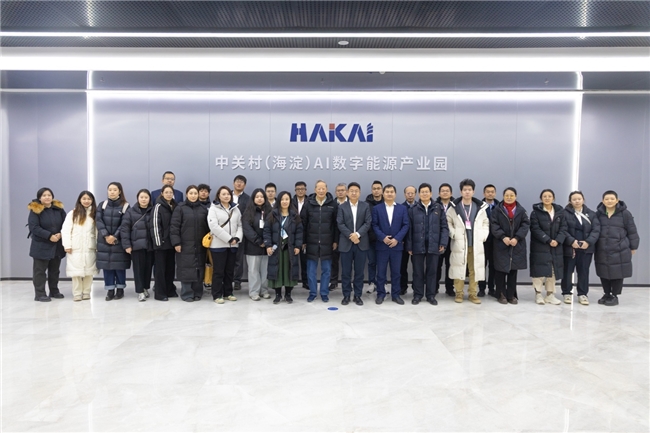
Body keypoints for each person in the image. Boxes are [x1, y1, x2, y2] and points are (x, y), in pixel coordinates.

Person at [446, 179, 490, 304]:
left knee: (474, 270)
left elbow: (486, 223)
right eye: (465, 190)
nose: (467, 192)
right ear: (461, 191)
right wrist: (453, 233)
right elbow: (448, 222)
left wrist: (483, 235)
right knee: (458, 268)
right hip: (459, 243)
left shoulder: (479, 207)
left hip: (475, 245)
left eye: (469, 190)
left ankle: (472, 294)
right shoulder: (454, 207)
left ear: (473, 191)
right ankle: (459, 293)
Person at [594, 190, 639, 306]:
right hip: (602, 248)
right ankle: (606, 293)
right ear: (602, 201)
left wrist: (633, 246)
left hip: (620, 248)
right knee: (603, 272)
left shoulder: (625, 214)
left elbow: (632, 231)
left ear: (617, 200)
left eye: (612, 199)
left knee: (617, 272)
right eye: (607, 199)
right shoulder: (598, 214)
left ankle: (615, 295)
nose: (609, 201)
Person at [406, 183, 448, 305]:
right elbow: (409, 229)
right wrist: (409, 246)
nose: (424, 194)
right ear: (419, 194)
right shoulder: (413, 209)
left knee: (432, 271)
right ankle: (418, 295)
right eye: (422, 192)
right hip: (417, 245)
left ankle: (431, 295)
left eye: (427, 192)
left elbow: (444, 227)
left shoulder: (438, 208)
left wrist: (443, 242)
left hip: (434, 245)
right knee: (417, 272)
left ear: (431, 193)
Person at [490, 187, 530, 305]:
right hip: (501, 243)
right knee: (500, 270)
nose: (509, 197)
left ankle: (511, 295)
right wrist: (503, 237)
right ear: (503, 196)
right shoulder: (497, 210)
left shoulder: (521, 210)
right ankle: (501, 294)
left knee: (513, 271)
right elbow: (494, 225)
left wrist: (517, 238)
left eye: (511, 195)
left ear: (515, 196)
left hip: (516, 244)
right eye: (506, 195)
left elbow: (525, 225)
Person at [372, 184, 410, 305]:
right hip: (382, 246)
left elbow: (406, 225)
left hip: (396, 246)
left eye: (391, 192)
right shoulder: (377, 208)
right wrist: (383, 237)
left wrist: (397, 239)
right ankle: (380, 294)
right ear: (383, 194)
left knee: (396, 272)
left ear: (395, 194)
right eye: (387, 192)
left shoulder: (402, 208)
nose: (389, 194)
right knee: (381, 273)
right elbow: (374, 225)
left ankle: (396, 295)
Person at [561, 191, 601, 305]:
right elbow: (562, 229)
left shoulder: (591, 214)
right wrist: (571, 241)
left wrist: (588, 242)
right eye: (574, 199)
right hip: (570, 248)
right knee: (567, 271)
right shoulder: (564, 213)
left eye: (579, 199)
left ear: (583, 199)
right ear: (570, 201)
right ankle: (566, 293)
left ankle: (582, 294)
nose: (577, 201)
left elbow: (596, 230)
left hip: (586, 249)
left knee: (583, 271)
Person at [171, 185, 210, 302]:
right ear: (186, 194)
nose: (193, 196)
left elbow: (207, 227)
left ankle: (198, 292)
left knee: (199, 268)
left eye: (195, 193)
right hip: (184, 245)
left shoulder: (203, 209)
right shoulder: (180, 208)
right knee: (186, 268)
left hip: (200, 245)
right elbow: (174, 227)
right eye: (191, 193)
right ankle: (187, 293)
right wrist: (176, 243)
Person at [27, 187, 67, 302]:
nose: (47, 197)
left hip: (56, 245)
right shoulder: (35, 210)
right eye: (44, 195)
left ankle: (54, 291)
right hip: (41, 245)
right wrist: (49, 236)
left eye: (49, 195)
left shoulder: (59, 209)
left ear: (52, 197)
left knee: (54, 270)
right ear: (39, 198)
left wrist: (61, 234)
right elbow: (34, 227)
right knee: (40, 271)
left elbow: (66, 224)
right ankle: (40, 294)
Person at [529, 189, 567, 305]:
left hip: (556, 246)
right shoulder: (535, 212)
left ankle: (550, 295)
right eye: (544, 196)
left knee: (553, 270)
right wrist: (548, 240)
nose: (547, 198)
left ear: (553, 198)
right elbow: (535, 229)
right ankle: (538, 294)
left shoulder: (560, 212)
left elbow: (564, 228)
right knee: (539, 271)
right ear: (541, 198)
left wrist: (558, 240)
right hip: (540, 245)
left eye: (549, 196)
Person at [302, 180, 338, 302]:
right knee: (311, 271)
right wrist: (303, 241)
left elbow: (336, 225)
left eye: (323, 188)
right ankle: (312, 292)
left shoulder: (333, 204)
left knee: (326, 270)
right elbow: (303, 224)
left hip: (327, 242)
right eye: (319, 188)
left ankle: (324, 292)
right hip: (311, 242)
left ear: (326, 189)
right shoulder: (308, 204)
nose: (321, 191)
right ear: (315, 189)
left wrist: (335, 241)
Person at [337, 182, 372, 306]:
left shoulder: (365, 206)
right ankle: (346, 295)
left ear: (359, 193)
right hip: (346, 243)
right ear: (347, 192)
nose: (353, 193)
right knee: (346, 272)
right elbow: (340, 223)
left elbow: (368, 222)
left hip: (361, 243)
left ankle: (357, 295)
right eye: (351, 191)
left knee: (359, 272)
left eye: (356, 191)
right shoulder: (342, 207)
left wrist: (357, 234)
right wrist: (351, 236)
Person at [265, 191, 303, 304]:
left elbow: (299, 232)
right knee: (277, 270)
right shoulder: (272, 215)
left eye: (287, 199)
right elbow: (267, 231)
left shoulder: (295, 216)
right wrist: (268, 245)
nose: (284, 201)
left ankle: (288, 294)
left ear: (290, 201)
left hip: (290, 248)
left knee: (289, 270)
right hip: (276, 248)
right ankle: (277, 294)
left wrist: (298, 246)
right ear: (279, 201)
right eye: (282, 199)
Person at [96, 182, 131, 301]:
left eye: (115, 190)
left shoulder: (125, 206)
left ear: (119, 191)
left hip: (119, 241)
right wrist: (106, 235)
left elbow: (125, 224)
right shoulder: (102, 205)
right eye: (110, 189)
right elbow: (98, 221)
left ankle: (120, 290)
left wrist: (115, 236)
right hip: (104, 241)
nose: (112, 192)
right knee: (107, 267)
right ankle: (110, 290)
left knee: (119, 266)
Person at [208, 186, 243, 304]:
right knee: (218, 271)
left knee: (229, 271)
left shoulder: (235, 209)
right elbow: (214, 227)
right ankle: (217, 294)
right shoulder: (213, 209)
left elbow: (240, 225)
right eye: (223, 194)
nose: (226, 196)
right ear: (219, 195)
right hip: (218, 246)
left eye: (228, 194)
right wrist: (229, 238)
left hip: (233, 246)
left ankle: (228, 293)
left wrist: (237, 238)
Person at [62, 191, 98, 301]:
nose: (86, 201)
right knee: (76, 272)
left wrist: (98, 245)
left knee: (89, 271)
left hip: (90, 246)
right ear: (80, 200)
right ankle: (77, 293)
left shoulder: (94, 214)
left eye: (89, 199)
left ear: (92, 200)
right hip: (75, 247)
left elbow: (97, 231)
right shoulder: (73, 213)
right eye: (84, 199)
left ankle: (86, 292)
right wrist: (67, 245)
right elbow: (66, 230)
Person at [121, 189, 154, 302]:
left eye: (146, 197)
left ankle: (145, 288)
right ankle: (140, 291)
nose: (144, 199)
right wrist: (127, 245)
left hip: (150, 246)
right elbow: (124, 229)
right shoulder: (130, 212)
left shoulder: (153, 211)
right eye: (141, 197)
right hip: (136, 246)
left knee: (148, 269)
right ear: (137, 198)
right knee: (138, 269)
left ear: (149, 199)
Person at [242, 188, 272, 301]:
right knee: (253, 271)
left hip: (266, 247)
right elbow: (247, 229)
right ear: (253, 198)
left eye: (262, 197)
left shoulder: (270, 211)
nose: (259, 199)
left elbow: (273, 227)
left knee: (265, 270)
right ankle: (254, 292)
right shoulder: (248, 212)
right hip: (252, 246)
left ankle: (264, 290)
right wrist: (259, 241)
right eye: (257, 197)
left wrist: (267, 242)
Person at [151, 184, 177, 301]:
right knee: (160, 270)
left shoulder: (175, 206)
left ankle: (169, 290)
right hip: (161, 244)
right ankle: (160, 293)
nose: (168, 194)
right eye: (166, 192)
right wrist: (158, 242)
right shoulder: (158, 206)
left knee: (170, 268)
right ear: (162, 193)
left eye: (170, 192)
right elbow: (155, 226)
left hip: (171, 243)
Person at [479, 184, 499, 297]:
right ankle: (481, 288)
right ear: (484, 193)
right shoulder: (479, 206)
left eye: (492, 192)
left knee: (493, 265)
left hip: (496, 241)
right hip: (483, 241)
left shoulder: (499, 206)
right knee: (481, 265)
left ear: (495, 193)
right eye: (488, 192)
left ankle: (492, 288)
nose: (490, 193)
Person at [436, 183, 455, 297]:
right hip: (437, 240)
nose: (445, 192)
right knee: (436, 265)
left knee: (450, 265)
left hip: (452, 240)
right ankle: (435, 287)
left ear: (451, 193)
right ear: (439, 193)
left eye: (447, 191)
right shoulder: (435, 205)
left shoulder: (456, 206)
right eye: (442, 191)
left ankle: (449, 288)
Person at [365, 180, 384, 292]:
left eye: (378, 188)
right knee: (372, 262)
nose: (376, 191)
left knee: (383, 263)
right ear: (372, 190)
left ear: (382, 190)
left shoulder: (387, 203)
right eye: (374, 189)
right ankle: (372, 282)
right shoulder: (366, 204)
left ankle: (382, 283)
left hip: (384, 239)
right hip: (370, 238)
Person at [231, 175, 249, 291]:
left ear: (245, 185)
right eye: (237, 181)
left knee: (238, 257)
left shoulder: (248, 198)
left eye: (241, 182)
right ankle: (226, 279)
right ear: (233, 183)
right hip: (226, 231)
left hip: (240, 230)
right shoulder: (226, 194)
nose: (239, 184)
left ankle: (237, 280)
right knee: (226, 257)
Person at [330, 182, 348, 291]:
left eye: (342, 190)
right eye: (338, 190)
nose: (340, 192)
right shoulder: (331, 204)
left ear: (346, 192)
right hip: (334, 238)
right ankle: (333, 281)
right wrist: (334, 240)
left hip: (348, 237)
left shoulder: (351, 203)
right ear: (335, 192)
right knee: (333, 261)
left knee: (347, 263)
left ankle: (348, 283)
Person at [400, 185, 417, 295]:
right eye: (408, 193)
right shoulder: (400, 208)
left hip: (416, 242)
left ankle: (417, 288)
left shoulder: (419, 207)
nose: (410, 195)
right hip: (403, 242)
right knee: (402, 267)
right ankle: (403, 287)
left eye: (412, 193)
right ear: (404, 194)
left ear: (415, 194)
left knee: (417, 267)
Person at [291, 181, 309, 289]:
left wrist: (305, 240)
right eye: (298, 189)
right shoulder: (290, 202)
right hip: (292, 236)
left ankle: (305, 281)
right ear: (295, 191)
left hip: (306, 236)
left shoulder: (310, 202)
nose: (300, 191)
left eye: (302, 189)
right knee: (292, 261)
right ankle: (292, 282)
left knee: (305, 261)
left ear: (306, 190)